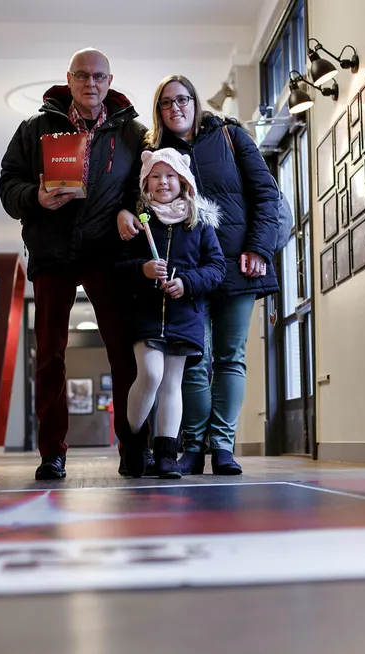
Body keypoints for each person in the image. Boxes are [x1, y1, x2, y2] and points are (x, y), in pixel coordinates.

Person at [0, 48, 151, 480]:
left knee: (124, 354)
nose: (91, 83)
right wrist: (36, 197)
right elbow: (8, 184)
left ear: (110, 80)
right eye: (82, 75)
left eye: (99, 76)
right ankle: (52, 452)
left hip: (109, 254)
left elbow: (147, 187)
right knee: (49, 356)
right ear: (69, 79)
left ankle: (132, 444)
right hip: (52, 253)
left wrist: (130, 210)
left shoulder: (134, 133)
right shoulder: (34, 128)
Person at [118, 75, 280, 475]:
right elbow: (133, 197)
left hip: (238, 264)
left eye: (183, 99)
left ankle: (222, 446)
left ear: (195, 102)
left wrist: (259, 247)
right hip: (184, 273)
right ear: (158, 110)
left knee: (230, 358)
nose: (176, 108)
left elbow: (266, 192)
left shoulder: (230, 136)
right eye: (166, 102)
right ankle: (190, 445)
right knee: (189, 360)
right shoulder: (154, 152)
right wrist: (123, 211)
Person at [117, 149, 224, 478]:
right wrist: (143, 269)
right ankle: (135, 444)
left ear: (183, 180)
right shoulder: (137, 223)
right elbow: (117, 269)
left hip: (184, 315)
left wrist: (187, 282)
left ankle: (166, 453)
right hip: (146, 315)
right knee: (150, 374)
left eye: (170, 175)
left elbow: (216, 268)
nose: (163, 182)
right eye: (155, 176)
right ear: (145, 183)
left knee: (171, 384)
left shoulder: (200, 223)